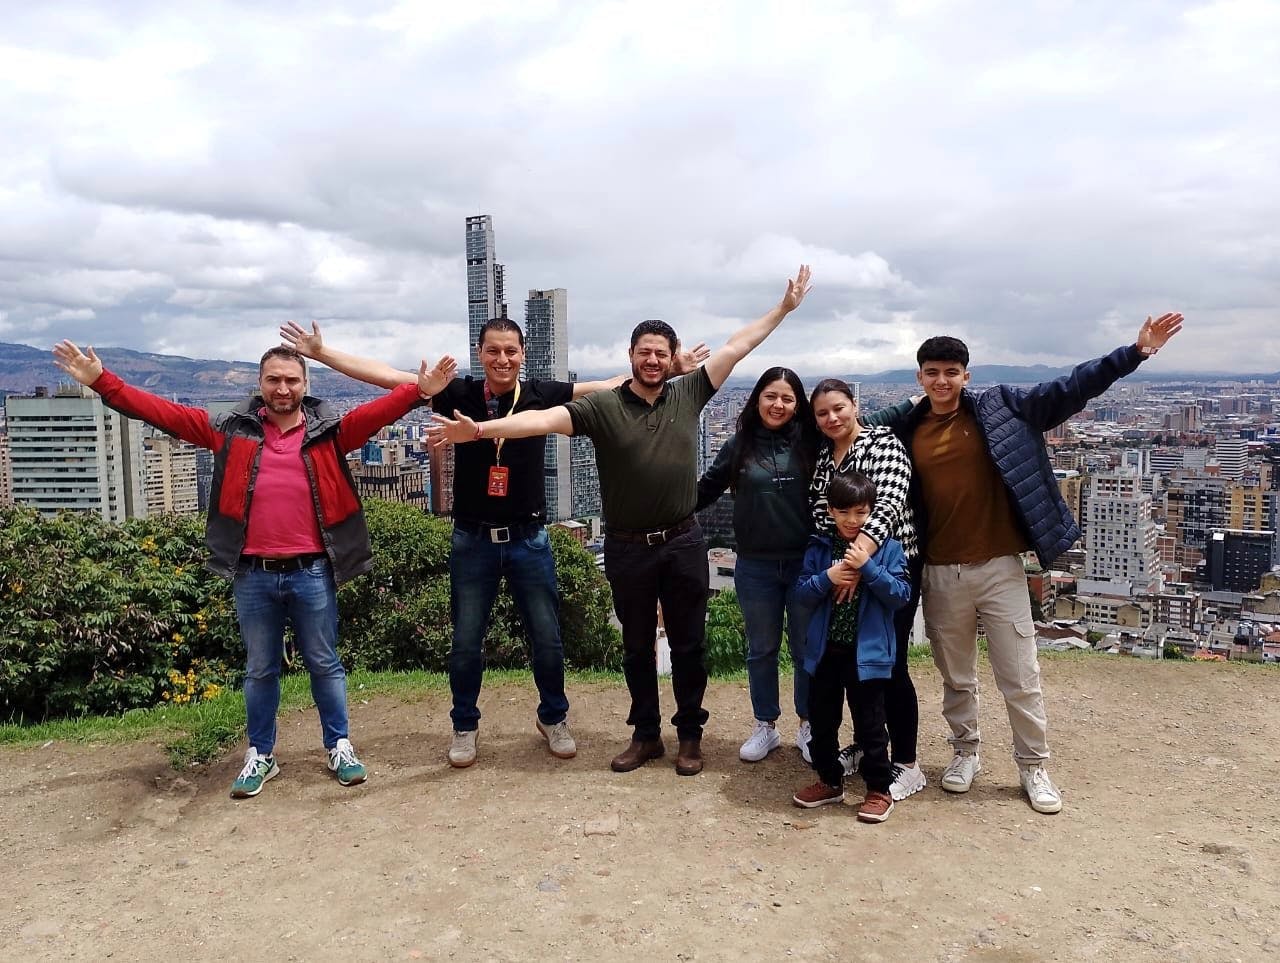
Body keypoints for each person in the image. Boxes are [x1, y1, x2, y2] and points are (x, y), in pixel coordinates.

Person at [428, 266, 812, 776]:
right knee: (636, 646)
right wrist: (480, 430)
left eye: (660, 353)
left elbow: (737, 346)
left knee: (689, 644)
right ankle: (646, 734)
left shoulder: (690, 392)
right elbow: (541, 420)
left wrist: (782, 309)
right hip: (628, 545)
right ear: (630, 355)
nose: (652, 360)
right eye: (644, 352)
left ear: (671, 359)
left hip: (682, 540)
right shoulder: (604, 406)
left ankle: (689, 736)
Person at [280, 318, 707, 768]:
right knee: (466, 641)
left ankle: (553, 717)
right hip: (473, 537)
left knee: (547, 638)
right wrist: (321, 353)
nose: (502, 359)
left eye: (510, 351)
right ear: (480, 354)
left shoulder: (540, 393)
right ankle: (464, 725)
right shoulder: (459, 392)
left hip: (529, 536)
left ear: (523, 355)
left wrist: (670, 369)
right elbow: (388, 376)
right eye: (493, 351)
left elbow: (611, 385)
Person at [52, 339, 450, 798]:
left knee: (325, 663)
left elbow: (377, 413)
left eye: (291, 380)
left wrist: (419, 389)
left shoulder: (329, 432)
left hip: (312, 569)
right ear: (259, 384)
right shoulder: (230, 430)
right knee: (260, 668)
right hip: (252, 572)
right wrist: (103, 381)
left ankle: (339, 745)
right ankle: (261, 753)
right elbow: (163, 413)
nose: (283, 388)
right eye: (273, 380)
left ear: (306, 384)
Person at [862, 313, 1184, 814]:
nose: (942, 381)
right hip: (940, 570)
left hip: (999, 567)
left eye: (951, 372)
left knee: (1019, 674)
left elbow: (1069, 389)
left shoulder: (1003, 407)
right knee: (956, 676)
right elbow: (854, 435)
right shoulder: (907, 428)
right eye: (932, 372)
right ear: (919, 377)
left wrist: (1134, 353)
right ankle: (965, 752)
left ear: (966, 375)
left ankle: (1033, 765)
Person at [807, 378, 925, 802]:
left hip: (887, 564)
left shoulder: (883, 444)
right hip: (842, 568)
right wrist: (840, 567)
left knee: (888, 663)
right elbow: (820, 514)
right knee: (852, 665)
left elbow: (888, 505)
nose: (832, 418)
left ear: (854, 405)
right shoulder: (825, 456)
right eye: (822, 413)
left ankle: (906, 762)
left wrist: (858, 562)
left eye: (838, 408)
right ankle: (865, 746)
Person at [695, 367, 819, 762]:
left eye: (787, 398)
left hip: (804, 564)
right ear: (757, 400)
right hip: (756, 565)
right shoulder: (740, 444)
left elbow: (855, 424)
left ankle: (809, 723)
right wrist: (659, 509)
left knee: (805, 648)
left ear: (798, 405)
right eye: (770, 396)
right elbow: (705, 489)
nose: (778, 404)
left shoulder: (811, 440)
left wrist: (913, 403)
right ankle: (765, 724)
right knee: (761, 648)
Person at [791, 471, 910, 823]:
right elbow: (800, 595)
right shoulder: (820, 547)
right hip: (825, 651)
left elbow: (900, 595)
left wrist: (868, 568)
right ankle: (830, 781)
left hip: (866, 654)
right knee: (822, 721)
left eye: (860, 512)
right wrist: (826, 578)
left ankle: (879, 789)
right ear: (830, 511)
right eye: (843, 512)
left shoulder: (888, 549)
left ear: (871, 511)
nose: (852, 520)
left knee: (870, 725)